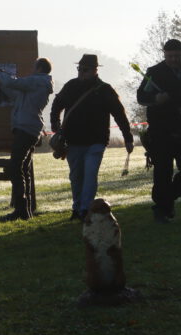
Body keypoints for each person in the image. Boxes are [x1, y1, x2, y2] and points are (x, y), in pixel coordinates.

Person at [50, 54, 134, 221]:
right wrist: (56, 127)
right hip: (73, 141)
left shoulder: (105, 89)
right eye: (79, 69)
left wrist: (128, 137)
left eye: (85, 69)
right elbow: (56, 105)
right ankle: (77, 207)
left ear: (95, 70)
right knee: (76, 177)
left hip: (97, 141)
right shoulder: (71, 86)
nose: (81, 72)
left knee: (89, 175)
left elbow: (119, 114)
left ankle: (83, 210)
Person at [136, 38, 181, 223]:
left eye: (176, 56)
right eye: (169, 56)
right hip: (161, 131)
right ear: (164, 54)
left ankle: (165, 200)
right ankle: (162, 210)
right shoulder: (153, 73)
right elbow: (142, 97)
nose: (173, 59)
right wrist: (156, 99)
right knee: (162, 172)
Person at [0, 58, 54, 220]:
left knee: (15, 167)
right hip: (29, 128)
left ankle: (21, 208)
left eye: (34, 67)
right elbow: (14, 93)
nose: (32, 69)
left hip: (26, 129)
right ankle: (26, 210)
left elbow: (15, 83)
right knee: (23, 168)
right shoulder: (36, 85)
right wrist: (0, 82)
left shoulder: (37, 81)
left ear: (39, 67)